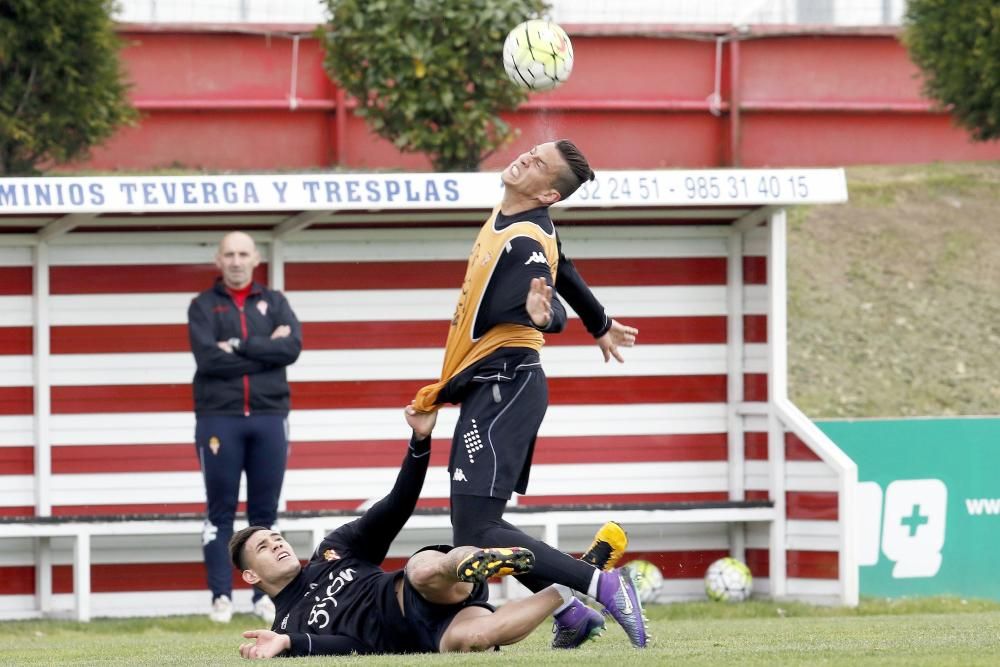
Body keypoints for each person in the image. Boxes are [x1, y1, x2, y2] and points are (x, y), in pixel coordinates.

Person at [411, 140, 647, 649]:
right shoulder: (519, 215)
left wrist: (552, 318)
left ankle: (600, 584)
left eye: (539, 163)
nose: (525, 158)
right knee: (475, 531)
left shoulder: (525, 239)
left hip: (505, 386)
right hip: (494, 388)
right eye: (532, 150)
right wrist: (600, 322)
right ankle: (571, 613)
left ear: (547, 193)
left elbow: (543, 292)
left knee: (477, 533)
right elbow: (563, 267)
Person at [231, 406, 585, 658]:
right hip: (425, 635)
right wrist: (290, 643)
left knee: (425, 569)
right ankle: (564, 591)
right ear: (250, 574)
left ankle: (472, 561)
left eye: (277, 537)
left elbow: (398, 506)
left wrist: (420, 441)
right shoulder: (283, 629)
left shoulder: (331, 551)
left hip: (416, 588)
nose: (277, 544)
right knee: (478, 637)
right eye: (263, 547)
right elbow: (357, 649)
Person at [187, 231, 303, 625]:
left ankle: (263, 596)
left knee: (264, 515)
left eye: (243, 254)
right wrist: (264, 349)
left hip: (270, 418)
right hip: (220, 418)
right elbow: (207, 360)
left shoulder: (275, 302)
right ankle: (221, 598)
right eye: (229, 255)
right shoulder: (203, 306)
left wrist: (235, 346)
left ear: (255, 259)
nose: (236, 261)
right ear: (218, 261)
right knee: (220, 512)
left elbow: (292, 349)